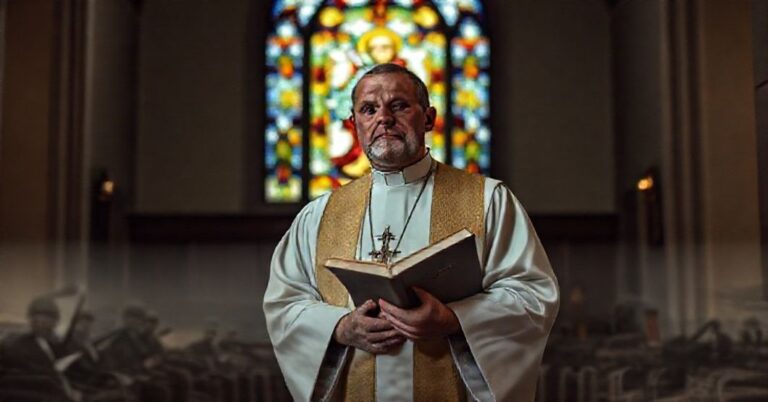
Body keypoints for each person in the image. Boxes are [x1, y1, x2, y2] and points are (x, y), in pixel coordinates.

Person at [263, 63, 559, 401]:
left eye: (399, 105)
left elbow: (532, 295)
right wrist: (341, 328)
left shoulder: (489, 200)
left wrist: (454, 319)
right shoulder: (319, 215)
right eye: (369, 109)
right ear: (354, 125)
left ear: (429, 118)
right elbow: (285, 304)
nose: (384, 118)